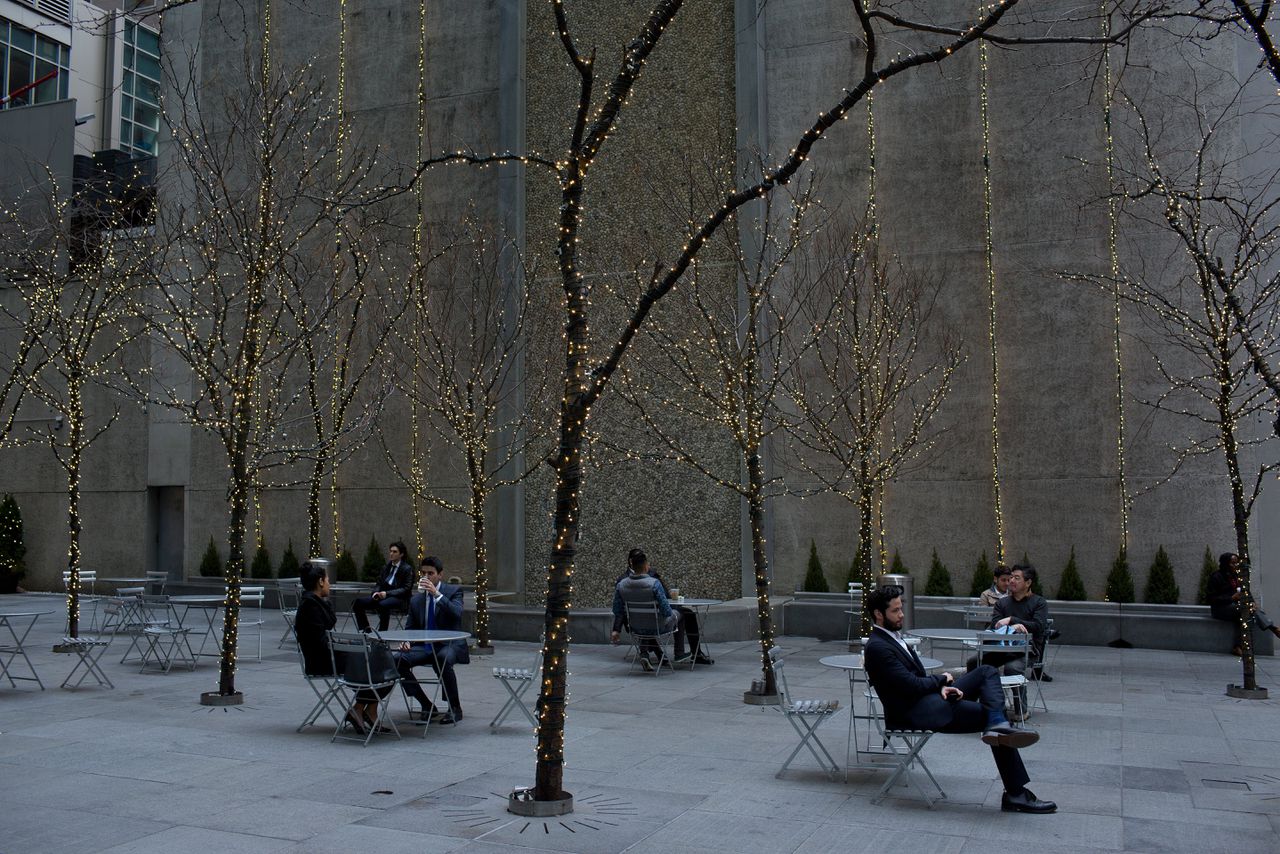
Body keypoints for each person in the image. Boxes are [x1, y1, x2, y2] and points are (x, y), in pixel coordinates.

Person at [862, 585, 1056, 814]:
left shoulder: (892, 638)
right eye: (895, 611)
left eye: (901, 608)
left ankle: (998, 726)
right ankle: (1015, 791)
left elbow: (914, 682)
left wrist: (941, 688)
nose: (901, 614)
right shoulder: (877, 647)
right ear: (878, 614)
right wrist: (942, 680)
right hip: (915, 713)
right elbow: (910, 685)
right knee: (992, 718)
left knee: (986, 672)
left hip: (927, 700)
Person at [294, 560, 392, 735]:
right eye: (328, 580)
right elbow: (320, 644)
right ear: (321, 582)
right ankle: (361, 710)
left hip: (327, 656)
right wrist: (346, 647)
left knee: (381, 659)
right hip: (321, 661)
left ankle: (362, 709)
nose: (330, 584)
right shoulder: (310, 606)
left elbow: (326, 632)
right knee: (380, 663)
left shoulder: (314, 603)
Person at [395, 556, 469, 724]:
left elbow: (456, 614)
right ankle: (426, 704)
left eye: (431, 573)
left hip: (449, 644)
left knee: (441, 659)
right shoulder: (416, 600)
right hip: (425, 646)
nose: (426, 577)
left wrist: (436, 594)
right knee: (396, 660)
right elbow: (410, 628)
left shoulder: (453, 591)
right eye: (423, 573)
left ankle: (454, 707)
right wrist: (407, 641)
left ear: (440, 574)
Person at [972, 563, 1048, 719]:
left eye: (1016, 578)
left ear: (1028, 582)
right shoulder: (1003, 603)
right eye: (1011, 577)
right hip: (1003, 648)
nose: (1011, 580)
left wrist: (1013, 620)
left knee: (1012, 668)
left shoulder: (1039, 603)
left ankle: (1021, 711)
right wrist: (1013, 624)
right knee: (974, 662)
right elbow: (996, 625)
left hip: (1027, 650)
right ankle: (970, 706)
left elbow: (1039, 626)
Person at [611, 548, 712, 666]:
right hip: (656, 623)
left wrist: (615, 631)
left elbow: (617, 609)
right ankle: (677, 653)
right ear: (645, 565)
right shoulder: (653, 582)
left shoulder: (621, 584)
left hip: (636, 624)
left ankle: (651, 654)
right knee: (679, 614)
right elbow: (666, 609)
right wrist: (671, 612)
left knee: (681, 613)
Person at [1207, 552, 1280, 656]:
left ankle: (1238, 647)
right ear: (1225, 564)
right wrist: (1231, 598)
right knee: (1246, 611)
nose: (1235, 566)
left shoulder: (1238, 576)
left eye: (1237, 563)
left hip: (1237, 608)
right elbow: (1211, 598)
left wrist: (1253, 603)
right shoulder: (1216, 576)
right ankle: (1274, 629)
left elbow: (1246, 592)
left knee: (1246, 615)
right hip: (1220, 609)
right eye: (1232, 563)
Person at [352, 540, 415, 633]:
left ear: (401, 554)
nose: (391, 554)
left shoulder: (407, 569)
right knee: (357, 603)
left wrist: (387, 593)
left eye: (394, 552)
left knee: (383, 604)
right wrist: (375, 593)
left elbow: (406, 589)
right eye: (390, 551)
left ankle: (382, 634)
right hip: (382, 595)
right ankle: (367, 631)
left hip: (400, 598)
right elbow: (379, 584)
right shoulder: (386, 567)